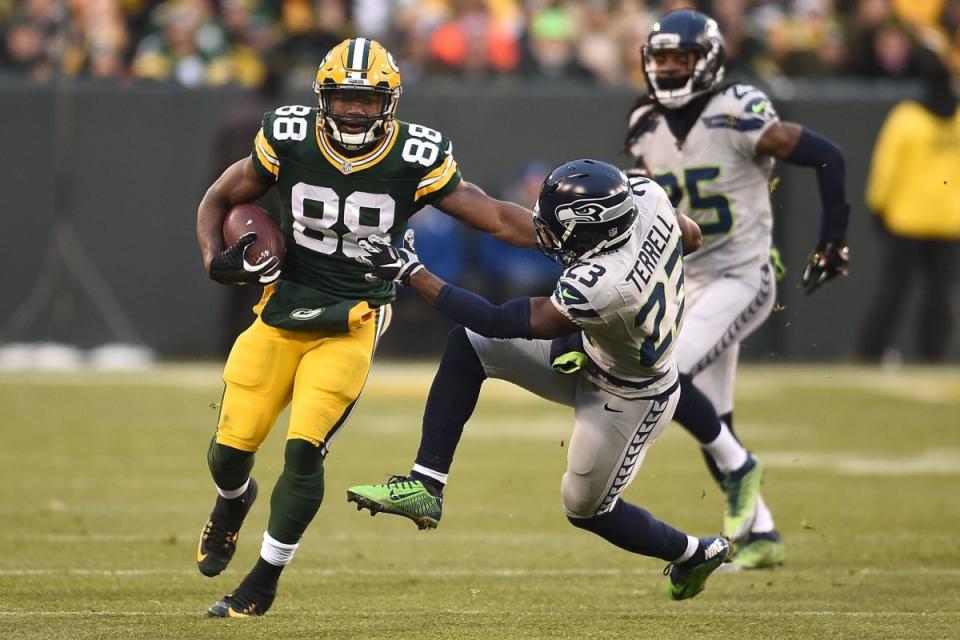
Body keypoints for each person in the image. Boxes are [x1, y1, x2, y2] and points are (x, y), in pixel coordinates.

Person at [195, 36, 538, 618]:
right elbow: (219, 198)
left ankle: (263, 580)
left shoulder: (417, 153)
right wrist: (213, 260)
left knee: (305, 450)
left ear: (390, 101)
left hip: (353, 315)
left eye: (367, 98)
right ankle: (234, 499)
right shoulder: (288, 135)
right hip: (282, 306)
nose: (355, 110)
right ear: (322, 96)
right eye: (344, 97)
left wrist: (577, 238)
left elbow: (499, 218)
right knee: (229, 452)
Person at [347, 160, 732, 601]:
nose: (545, 232)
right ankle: (426, 484)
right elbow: (692, 236)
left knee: (587, 510)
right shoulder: (646, 197)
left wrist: (412, 273)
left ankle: (691, 554)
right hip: (590, 350)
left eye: (556, 227)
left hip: (631, 396)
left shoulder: (606, 284)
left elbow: (498, 320)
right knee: (468, 346)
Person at [622, 10, 851, 568]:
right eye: (662, 60)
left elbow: (828, 155)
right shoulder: (643, 123)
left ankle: (743, 469)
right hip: (684, 282)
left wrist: (832, 241)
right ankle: (763, 534)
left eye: (682, 60)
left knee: (662, 373)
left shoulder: (738, 109)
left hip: (741, 276)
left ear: (709, 61)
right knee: (712, 417)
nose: (671, 70)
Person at [858, 45, 960, 362]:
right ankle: (933, 355)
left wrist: (877, 204)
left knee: (893, 292)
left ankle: (871, 352)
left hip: (907, 219)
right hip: (948, 220)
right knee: (939, 295)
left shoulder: (907, 117)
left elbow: (886, 166)